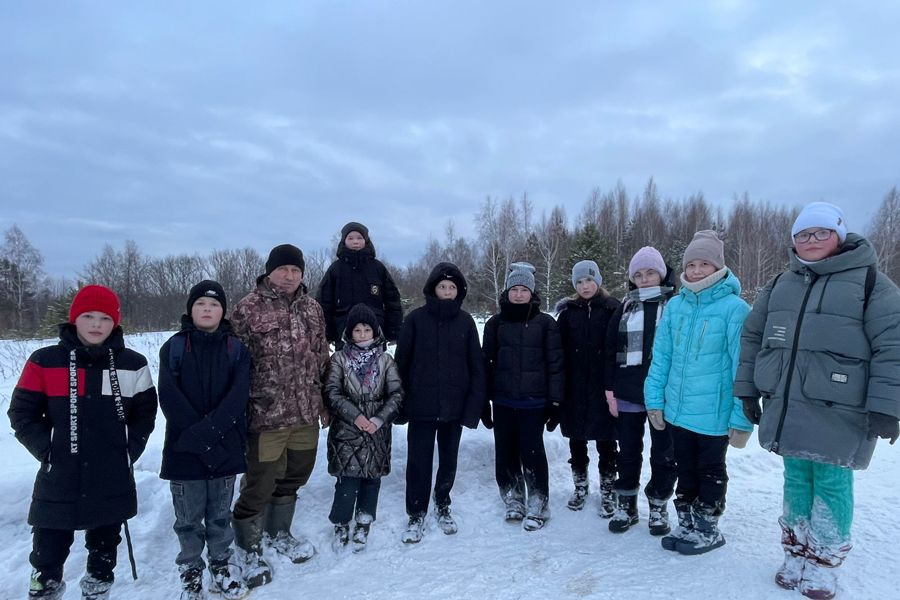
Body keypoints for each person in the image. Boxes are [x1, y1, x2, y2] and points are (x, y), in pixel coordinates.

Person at [734, 202, 900, 600]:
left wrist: (888, 405)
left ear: (838, 236)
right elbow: (753, 339)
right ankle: (795, 551)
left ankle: (824, 561)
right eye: (802, 234)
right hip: (788, 404)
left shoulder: (871, 284)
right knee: (796, 478)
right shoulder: (779, 283)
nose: (810, 241)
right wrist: (747, 389)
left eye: (820, 233)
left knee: (831, 480)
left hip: (841, 408)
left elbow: (893, 346)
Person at [8, 285, 158, 600]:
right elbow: (22, 413)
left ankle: (97, 591)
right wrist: (47, 449)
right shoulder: (45, 361)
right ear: (74, 318)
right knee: (47, 552)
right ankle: (45, 590)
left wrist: (130, 451)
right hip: (59, 475)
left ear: (114, 323)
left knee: (104, 549)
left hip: (110, 475)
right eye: (88, 316)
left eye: (104, 318)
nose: (95, 324)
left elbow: (145, 414)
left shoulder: (133, 363)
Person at [644, 230, 753, 555]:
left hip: (714, 415)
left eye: (703, 264)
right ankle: (687, 523)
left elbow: (741, 367)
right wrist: (654, 400)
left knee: (710, 470)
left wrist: (741, 417)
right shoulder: (675, 306)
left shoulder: (735, 309)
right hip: (678, 411)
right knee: (684, 468)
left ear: (718, 267)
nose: (695, 271)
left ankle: (707, 527)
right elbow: (660, 356)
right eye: (690, 264)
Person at [229, 244, 330, 588]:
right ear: (269, 271)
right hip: (265, 414)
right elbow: (234, 365)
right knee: (260, 482)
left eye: (296, 270)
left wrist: (325, 402)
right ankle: (249, 546)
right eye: (283, 269)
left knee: (295, 475)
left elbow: (322, 357)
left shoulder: (313, 308)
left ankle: (279, 532)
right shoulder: (247, 308)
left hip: (305, 411)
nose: (289, 276)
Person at [158, 280, 251, 600]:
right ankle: (191, 570)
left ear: (223, 311)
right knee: (187, 518)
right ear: (190, 309)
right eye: (201, 304)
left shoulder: (236, 348)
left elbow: (238, 396)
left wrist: (213, 435)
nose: (207, 309)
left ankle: (222, 566)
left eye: (213, 305)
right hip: (185, 449)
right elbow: (169, 396)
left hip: (225, 445)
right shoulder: (173, 346)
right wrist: (200, 436)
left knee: (219, 515)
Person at [394, 262, 485, 543]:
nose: (446, 291)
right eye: (442, 286)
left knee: (448, 459)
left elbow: (476, 368)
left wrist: (473, 408)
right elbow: (401, 364)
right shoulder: (415, 320)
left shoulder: (466, 322)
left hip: (453, 408)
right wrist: (399, 403)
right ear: (433, 288)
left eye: (452, 287)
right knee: (418, 461)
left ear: (459, 292)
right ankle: (416, 513)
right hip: (420, 406)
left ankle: (442, 503)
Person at [482, 262, 564, 531]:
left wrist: (555, 402)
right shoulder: (495, 323)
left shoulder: (545, 324)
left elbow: (555, 365)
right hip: (503, 400)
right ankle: (513, 497)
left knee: (532, 452)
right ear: (507, 292)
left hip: (534, 402)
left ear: (532, 292)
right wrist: (484, 401)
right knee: (505, 453)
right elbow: (487, 363)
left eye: (523, 289)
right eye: (514, 289)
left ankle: (539, 503)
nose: (518, 294)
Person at [603, 247, 678, 535]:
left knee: (664, 453)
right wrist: (610, 390)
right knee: (628, 451)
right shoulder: (624, 307)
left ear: (661, 273)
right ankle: (627, 504)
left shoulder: (675, 305)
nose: (644, 279)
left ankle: (658, 506)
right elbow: (609, 351)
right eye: (638, 274)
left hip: (664, 393)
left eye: (650, 273)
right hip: (628, 392)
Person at [324, 303, 403, 553]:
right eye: (356, 330)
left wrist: (379, 419)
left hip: (377, 431)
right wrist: (356, 416)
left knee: (372, 478)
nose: (361, 334)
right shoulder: (339, 359)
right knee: (347, 479)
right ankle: (340, 522)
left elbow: (397, 394)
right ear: (349, 332)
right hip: (347, 429)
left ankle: (364, 521)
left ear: (375, 331)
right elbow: (332, 392)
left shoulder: (385, 360)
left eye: (366, 329)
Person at [554, 260, 620, 517]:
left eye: (589, 280)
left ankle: (608, 489)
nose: (585, 286)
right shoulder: (568, 313)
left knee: (607, 444)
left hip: (604, 389)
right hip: (575, 389)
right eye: (579, 282)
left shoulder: (613, 309)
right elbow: (559, 352)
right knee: (577, 442)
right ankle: (580, 487)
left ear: (598, 281)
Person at [316, 221, 403, 349]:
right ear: (344, 241)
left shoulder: (378, 268)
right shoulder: (335, 269)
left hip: (375, 334)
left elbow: (393, 301)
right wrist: (327, 334)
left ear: (366, 241)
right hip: (344, 333)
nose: (355, 241)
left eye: (359, 238)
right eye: (350, 238)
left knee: (376, 368)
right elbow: (324, 304)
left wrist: (394, 331)